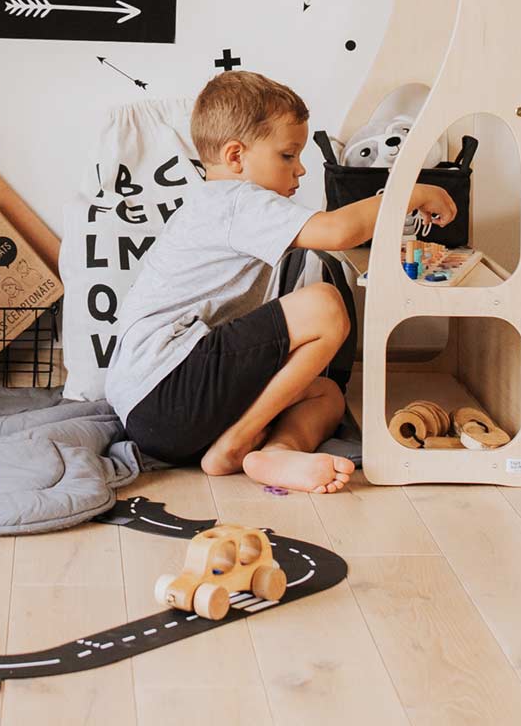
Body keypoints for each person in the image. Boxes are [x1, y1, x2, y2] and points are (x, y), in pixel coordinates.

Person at [100, 71, 456, 494]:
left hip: (160, 410)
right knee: (324, 304)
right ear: (236, 157)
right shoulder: (237, 201)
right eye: (288, 155)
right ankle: (234, 444)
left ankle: (276, 451)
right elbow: (335, 232)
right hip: (167, 387)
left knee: (324, 395)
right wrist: (408, 192)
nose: (300, 169)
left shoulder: (213, 203)